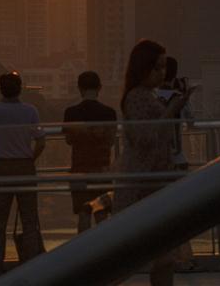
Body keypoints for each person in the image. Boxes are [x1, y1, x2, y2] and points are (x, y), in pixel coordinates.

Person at [114, 39, 195, 286]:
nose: (162, 74)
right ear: (143, 68)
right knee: (145, 255)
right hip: (142, 185)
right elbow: (144, 138)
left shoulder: (147, 95)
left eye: (163, 68)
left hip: (154, 182)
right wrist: (171, 110)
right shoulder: (138, 97)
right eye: (157, 68)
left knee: (164, 256)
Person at [0, 71, 46, 276]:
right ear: (20, 89)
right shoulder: (30, 111)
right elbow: (41, 141)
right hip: (24, 167)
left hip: (1, 167)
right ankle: (30, 264)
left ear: (1, 89)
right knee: (29, 219)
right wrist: (30, 158)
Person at [62, 70, 118, 233]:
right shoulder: (109, 113)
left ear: (80, 88)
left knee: (83, 213)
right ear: (99, 88)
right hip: (102, 169)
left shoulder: (71, 112)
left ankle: (83, 251)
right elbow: (111, 141)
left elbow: (68, 140)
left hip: (79, 168)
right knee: (101, 213)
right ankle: (104, 250)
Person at [154, 57, 195, 170]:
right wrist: (186, 95)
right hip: (176, 156)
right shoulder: (179, 98)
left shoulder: (152, 96)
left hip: (156, 156)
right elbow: (191, 122)